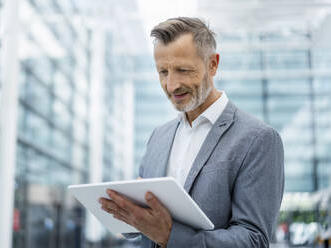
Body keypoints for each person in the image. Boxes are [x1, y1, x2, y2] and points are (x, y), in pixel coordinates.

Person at [99, 17, 284, 248]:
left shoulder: (259, 139)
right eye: (163, 72)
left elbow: (254, 240)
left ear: (213, 64)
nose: (171, 85)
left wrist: (170, 236)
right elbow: (145, 231)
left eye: (183, 70)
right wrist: (130, 211)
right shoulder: (159, 137)